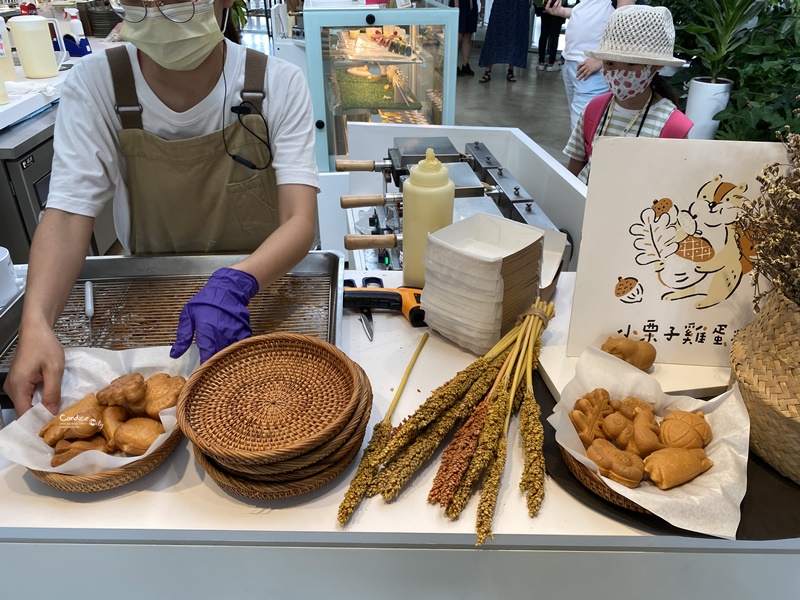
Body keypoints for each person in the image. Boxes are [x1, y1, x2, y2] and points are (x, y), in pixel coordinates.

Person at [3, 0, 319, 416]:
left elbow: (300, 220)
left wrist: (236, 282)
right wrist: (37, 324)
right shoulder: (98, 84)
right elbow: (65, 214)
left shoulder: (277, 81)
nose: (155, 10)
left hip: (260, 286)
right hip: (152, 299)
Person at [563, 4, 692, 184]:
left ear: (655, 67)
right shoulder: (593, 110)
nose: (618, 72)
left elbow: (671, 184)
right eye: (609, 63)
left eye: (631, 65)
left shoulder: (672, 126)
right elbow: (574, 166)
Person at [546, 0, 635, 129]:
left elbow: (625, 19)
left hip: (593, 68)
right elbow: (589, 9)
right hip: (573, 62)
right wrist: (562, 11)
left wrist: (602, 58)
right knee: (580, 124)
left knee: (583, 128)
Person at [477, 0, 530, 83]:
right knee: (494, 33)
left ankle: (511, 70)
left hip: (519, 4)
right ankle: (488, 70)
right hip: (501, 3)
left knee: (514, 34)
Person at [534, 0, 565, 72]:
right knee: (554, 36)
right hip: (558, 6)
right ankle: (551, 63)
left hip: (544, 5)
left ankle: (541, 62)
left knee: (543, 34)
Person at [451, 0, 479, 76]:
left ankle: (465, 64)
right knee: (458, 34)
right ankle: (452, 65)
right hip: (459, 4)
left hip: (471, 4)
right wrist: (457, 5)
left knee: (468, 35)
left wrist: (482, 6)